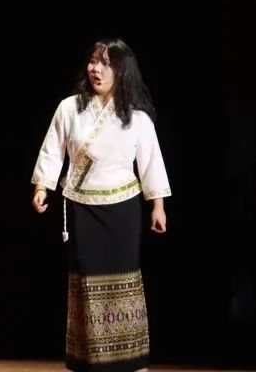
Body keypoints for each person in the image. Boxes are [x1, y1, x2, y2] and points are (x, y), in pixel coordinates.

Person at [31, 39, 171, 372]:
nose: (96, 69)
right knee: (86, 283)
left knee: (124, 282)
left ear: (121, 71)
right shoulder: (70, 108)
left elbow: (151, 161)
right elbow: (53, 149)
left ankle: (131, 360)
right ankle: (90, 361)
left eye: (106, 63)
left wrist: (158, 205)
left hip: (123, 209)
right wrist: (42, 185)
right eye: (93, 61)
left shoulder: (137, 117)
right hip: (82, 207)